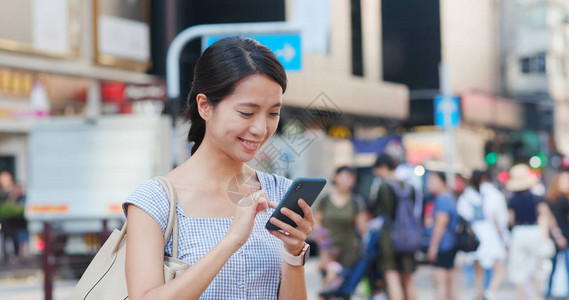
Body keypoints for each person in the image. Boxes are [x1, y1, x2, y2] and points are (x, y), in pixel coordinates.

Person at [123, 37, 314, 299]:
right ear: (204, 106)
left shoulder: (278, 192)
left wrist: (294, 255)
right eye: (247, 113)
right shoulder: (155, 201)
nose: (261, 129)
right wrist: (231, 241)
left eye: (273, 113)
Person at [506, 164, 562, 300]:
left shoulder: (512, 200)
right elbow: (545, 215)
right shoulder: (536, 197)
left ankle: (521, 297)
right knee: (539, 267)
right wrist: (550, 234)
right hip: (534, 231)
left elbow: (510, 221)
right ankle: (537, 296)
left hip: (519, 232)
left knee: (518, 269)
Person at [369, 154, 417, 300]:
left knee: (391, 274)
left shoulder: (384, 186)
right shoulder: (410, 186)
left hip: (389, 236)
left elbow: (378, 211)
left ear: (383, 167)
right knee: (408, 277)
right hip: (408, 236)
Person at [457, 171, 508, 300]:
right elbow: (498, 218)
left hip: (474, 235)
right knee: (499, 266)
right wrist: (505, 237)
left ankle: (479, 294)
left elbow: (463, 215)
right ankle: (491, 291)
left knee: (477, 270)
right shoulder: (494, 194)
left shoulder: (466, 195)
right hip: (490, 233)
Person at [314, 166, 368, 272]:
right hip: (328, 249)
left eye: (351, 178)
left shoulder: (356, 202)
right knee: (329, 279)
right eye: (345, 177)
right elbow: (316, 222)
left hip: (349, 250)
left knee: (345, 283)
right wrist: (321, 235)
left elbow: (363, 228)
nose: (348, 181)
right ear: (336, 177)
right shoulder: (324, 200)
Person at [425, 171, 459, 300]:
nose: (429, 184)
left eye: (432, 181)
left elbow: (440, 224)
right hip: (450, 244)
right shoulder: (449, 196)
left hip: (443, 245)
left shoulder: (442, 199)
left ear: (442, 182)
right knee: (450, 280)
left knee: (440, 282)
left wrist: (433, 246)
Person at [544, 168, 569, 298]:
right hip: (560, 236)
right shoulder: (558, 200)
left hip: (559, 235)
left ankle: (549, 292)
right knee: (557, 267)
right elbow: (550, 219)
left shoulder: (552, 199)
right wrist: (558, 235)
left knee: (555, 267)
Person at [0, 171, 27, 263]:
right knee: (4, 239)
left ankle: (17, 257)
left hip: (15, 221)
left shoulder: (14, 191)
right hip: (4, 221)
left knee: (16, 238)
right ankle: (6, 259)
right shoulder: (1, 192)